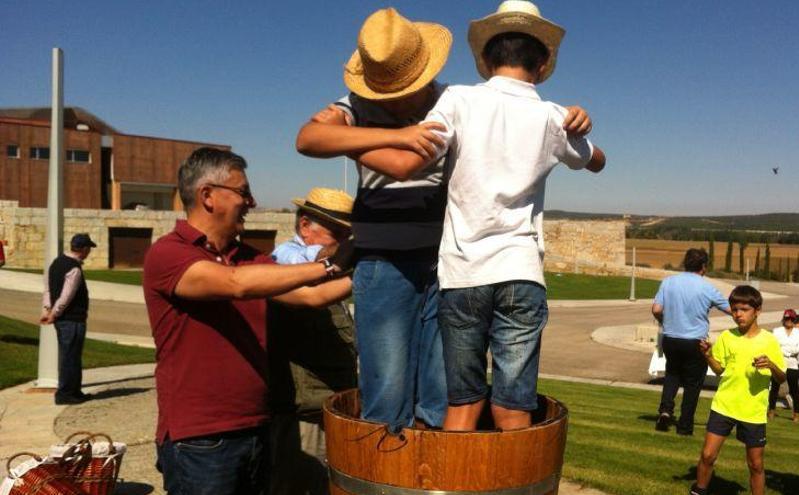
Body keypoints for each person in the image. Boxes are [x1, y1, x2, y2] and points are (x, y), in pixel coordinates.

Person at [296, 7, 593, 432]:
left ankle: (434, 475)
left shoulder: (452, 101)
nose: (394, 97)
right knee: (387, 390)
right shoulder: (358, 104)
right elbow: (308, 138)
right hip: (383, 260)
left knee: (440, 394)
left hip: (444, 264)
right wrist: (393, 134)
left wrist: (575, 117)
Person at [143, 147, 354, 495]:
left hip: (256, 427)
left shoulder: (248, 258)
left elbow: (311, 296)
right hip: (200, 438)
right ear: (207, 196)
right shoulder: (170, 252)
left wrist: (374, 262)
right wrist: (330, 264)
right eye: (243, 192)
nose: (252, 201)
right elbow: (234, 285)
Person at [267, 188, 356, 495]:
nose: (344, 244)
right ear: (305, 226)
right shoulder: (286, 257)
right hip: (302, 413)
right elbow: (300, 260)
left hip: (326, 406)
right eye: (339, 234)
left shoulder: (330, 272)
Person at [690, 285, 786, 495]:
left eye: (744, 310)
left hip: (753, 412)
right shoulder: (727, 336)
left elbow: (782, 377)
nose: (738, 314)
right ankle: (699, 491)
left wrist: (771, 365)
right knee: (707, 456)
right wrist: (708, 356)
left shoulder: (769, 340)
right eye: (734, 310)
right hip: (723, 405)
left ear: (757, 310)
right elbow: (719, 370)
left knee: (755, 465)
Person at [652, 248, 731, 435]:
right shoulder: (707, 288)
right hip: (695, 340)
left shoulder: (668, 282)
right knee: (693, 384)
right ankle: (685, 424)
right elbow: (730, 309)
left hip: (671, 337)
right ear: (704, 266)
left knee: (672, 375)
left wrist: (666, 321)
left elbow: (656, 309)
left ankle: (665, 410)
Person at [40, 233, 97, 405]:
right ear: (84, 249)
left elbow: (48, 289)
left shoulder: (56, 263)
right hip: (72, 319)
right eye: (89, 249)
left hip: (62, 319)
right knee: (70, 356)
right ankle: (65, 393)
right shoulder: (74, 269)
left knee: (70, 355)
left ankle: (74, 391)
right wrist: (54, 313)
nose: (89, 253)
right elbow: (67, 296)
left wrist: (47, 309)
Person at [768, 309, 799, 421]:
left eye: (791, 319)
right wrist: (786, 350)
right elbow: (774, 346)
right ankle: (771, 410)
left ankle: (796, 413)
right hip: (779, 362)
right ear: (784, 319)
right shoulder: (777, 331)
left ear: (794, 320)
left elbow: (798, 348)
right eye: (787, 318)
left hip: (792, 363)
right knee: (774, 388)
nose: (789, 321)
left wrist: (784, 349)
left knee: (794, 390)